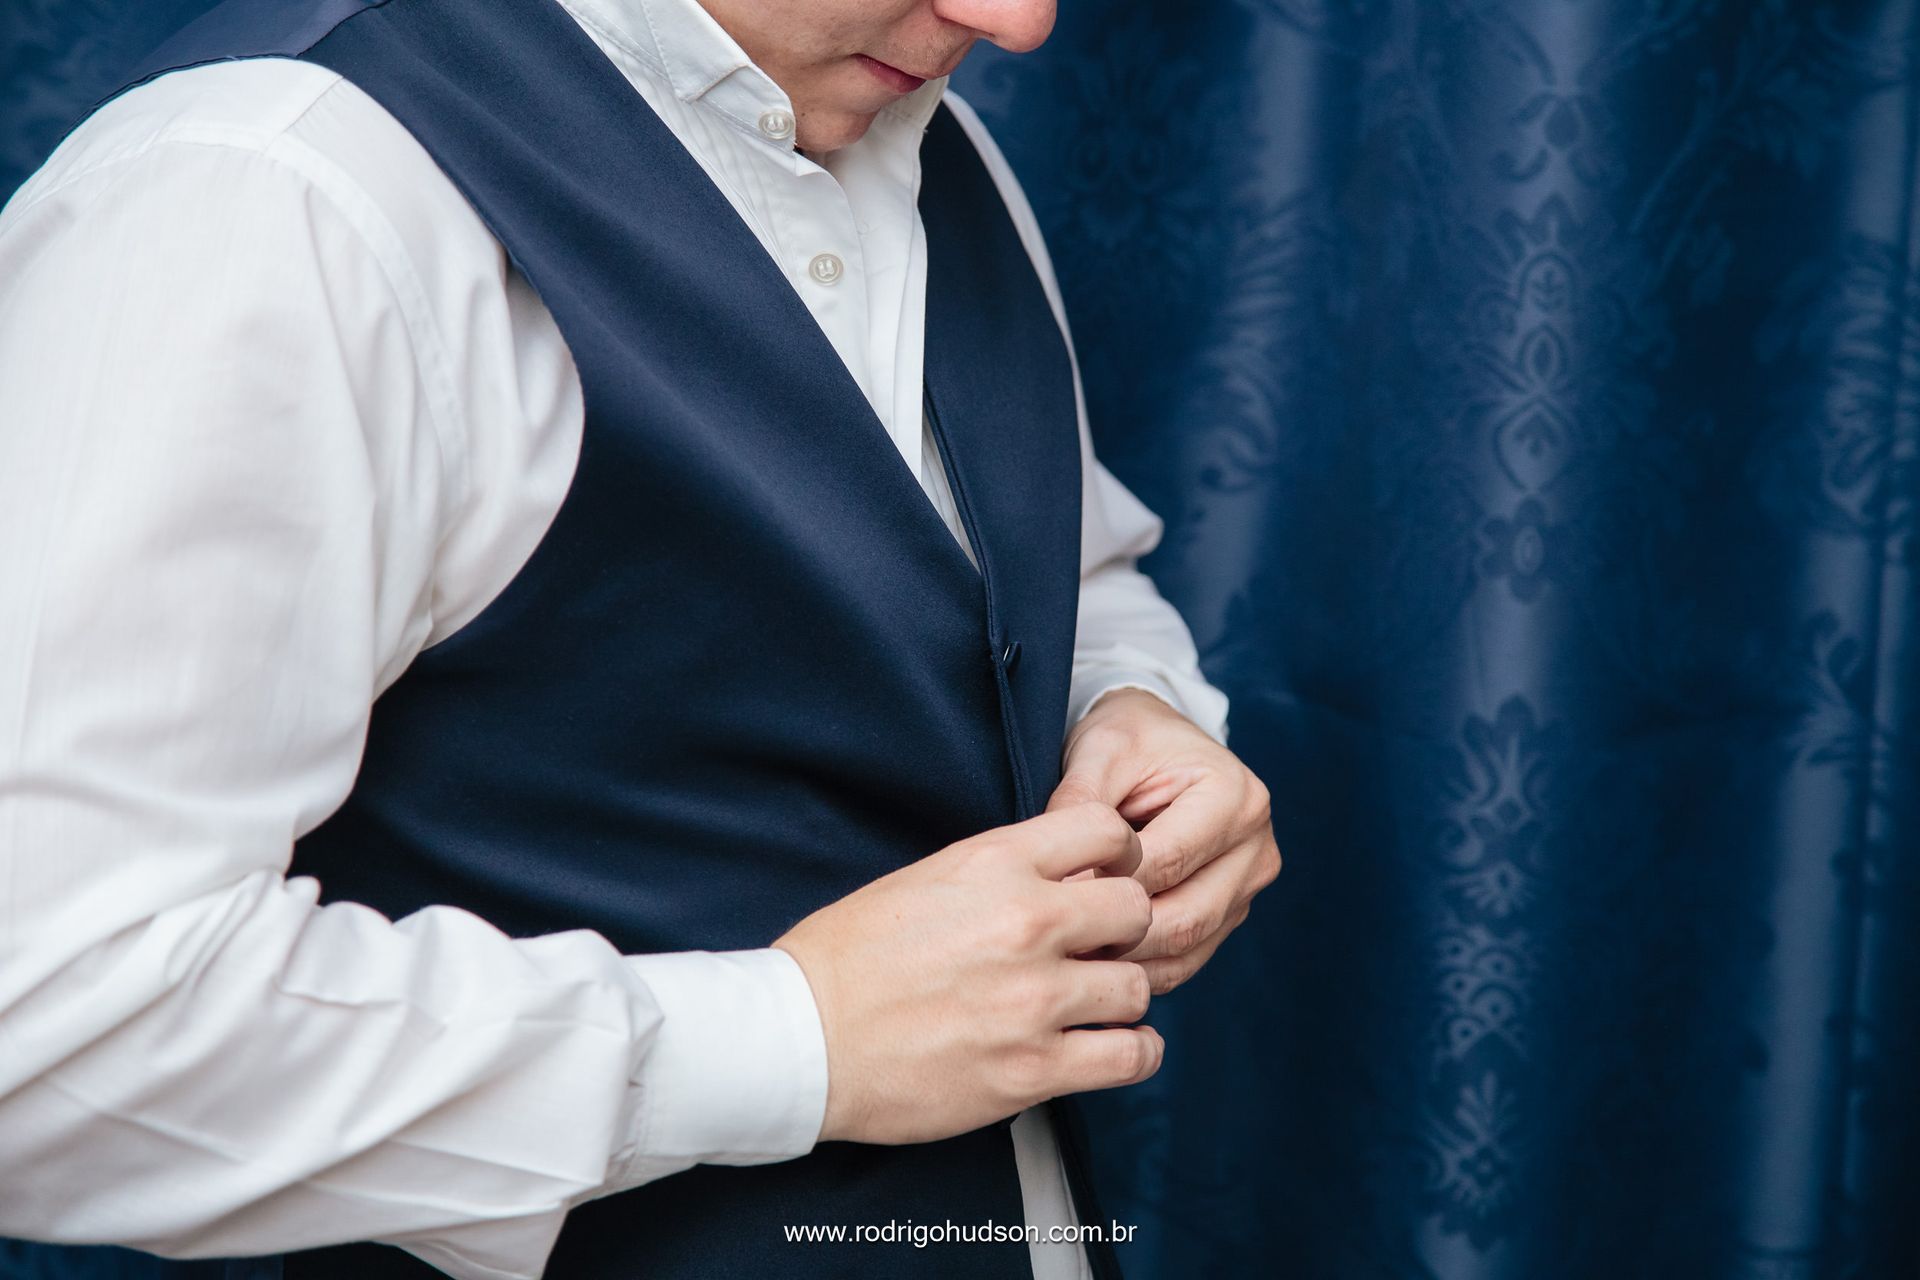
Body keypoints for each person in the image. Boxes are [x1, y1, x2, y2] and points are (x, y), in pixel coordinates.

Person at [0, 0, 1280, 1276]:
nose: (1017, 20)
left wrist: (1131, 702)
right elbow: (48, 1025)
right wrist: (789, 1042)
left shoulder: (943, 151)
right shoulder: (274, 196)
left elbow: (1052, 556)